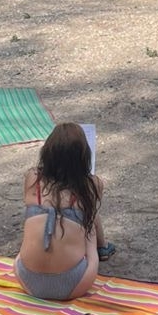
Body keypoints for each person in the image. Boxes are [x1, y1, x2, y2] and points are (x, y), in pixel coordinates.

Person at [16, 123, 112, 301]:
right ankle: (101, 248)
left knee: (38, 220)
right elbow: (89, 214)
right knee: (88, 221)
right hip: (75, 283)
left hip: (26, 279)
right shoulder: (92, 185)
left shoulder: (32, 179)